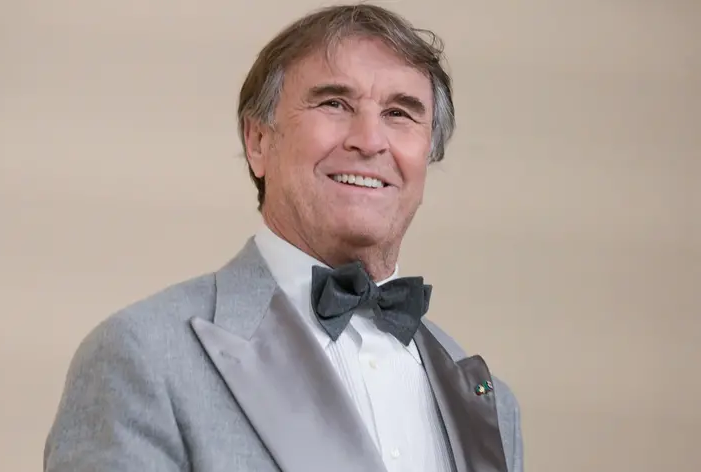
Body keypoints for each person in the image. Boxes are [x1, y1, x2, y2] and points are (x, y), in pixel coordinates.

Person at [43, 4, 523, 472]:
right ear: (258, 142)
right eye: (334, 103)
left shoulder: (493, 404)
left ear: (427, 155)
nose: (369, 140)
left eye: (399, 113)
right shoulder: (141, 355)